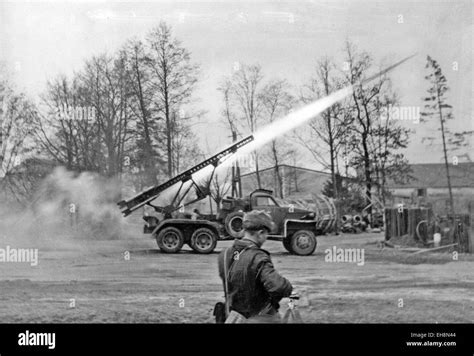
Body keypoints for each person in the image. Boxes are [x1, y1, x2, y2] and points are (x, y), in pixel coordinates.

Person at [217, 210, 293, 323]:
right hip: (260, 317)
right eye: (266, 234)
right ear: (260, 233)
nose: (266, 237)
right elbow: (278, 287)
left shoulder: (224, 254)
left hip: (234, 318)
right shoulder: (258, 257)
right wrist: (288, 287)